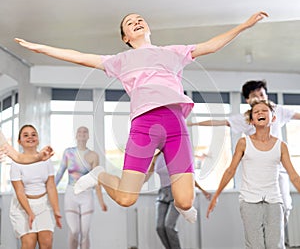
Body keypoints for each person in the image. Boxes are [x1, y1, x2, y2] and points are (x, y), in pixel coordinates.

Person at [15, 11, 268, 223]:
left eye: (139, 18)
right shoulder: (120, 60)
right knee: (126, 198)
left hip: (175, 126)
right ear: (126, 37)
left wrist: (244, 26)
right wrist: (41, 48)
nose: (136, 21)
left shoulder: (173, 52)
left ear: (148, 27)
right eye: (129, 22)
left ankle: (181, 203)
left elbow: (211, 45)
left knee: (185, 201)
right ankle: (98, 175)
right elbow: (79, 56)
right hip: (144, 127)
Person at [188, 80, 300, 226]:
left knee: (283, 211)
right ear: (248, 101)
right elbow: (220, 122)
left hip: (278, 172)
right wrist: (191, 123)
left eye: (262, 94)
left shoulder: (279, 112)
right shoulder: (245, 120)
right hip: (257, 176)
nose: (260, 98)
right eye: (255, 96)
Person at [206, 100, 300, 249]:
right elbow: (230, 170)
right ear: (251, 121)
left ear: (273, 118)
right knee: (255, 246)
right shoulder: (244, 143)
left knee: (275, 245)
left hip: (274, 201)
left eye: (264, 111)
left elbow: (293, 175)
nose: (260, 113)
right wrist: (216, 196)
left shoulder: (281, 146)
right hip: (249, 201)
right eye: (256, 112)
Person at [9, 124, 62, 249]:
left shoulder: (46, 160)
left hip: (43, 204)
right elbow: (20, 191)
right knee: (29, 243)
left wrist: (56, 210)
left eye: (33, 134)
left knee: (47, 242)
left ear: (38, 139)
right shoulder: (16, 163)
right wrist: (30, 213)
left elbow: (51, 186)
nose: (30, 137)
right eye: (25, 135)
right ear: (19, 141)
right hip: (23, 206)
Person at [55, 126, 107, 249]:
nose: (82, 134)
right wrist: (49, 191)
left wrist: (101, 202)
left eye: (85, 132)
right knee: (74, 230)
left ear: (88, 136)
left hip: (87, 195)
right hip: (71, 194)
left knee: (84, 232)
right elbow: (60, 173)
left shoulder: (93, 155)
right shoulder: (68, 152)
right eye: (80, 131)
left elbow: (96, 180)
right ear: (76, 135)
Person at [146, 151, 211, 249]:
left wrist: (203, 190)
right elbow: (146, 176)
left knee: (169, 226)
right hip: (163, 194)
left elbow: (187, 176)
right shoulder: (156, 157)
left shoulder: (176, 154)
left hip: (176, 193)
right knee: (159, 227)